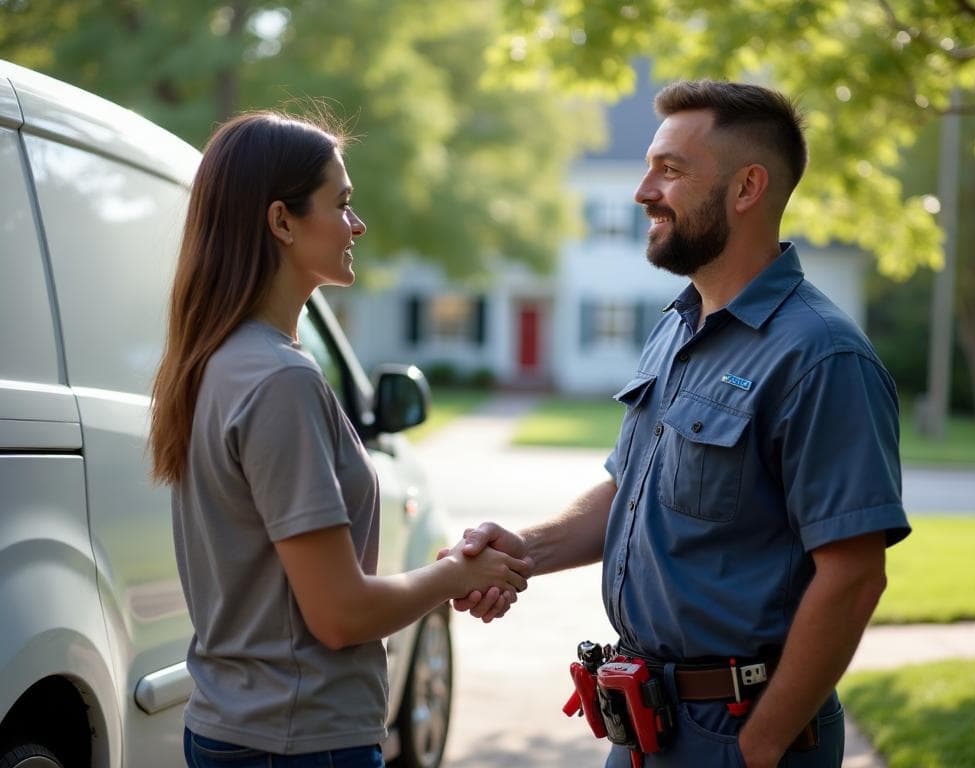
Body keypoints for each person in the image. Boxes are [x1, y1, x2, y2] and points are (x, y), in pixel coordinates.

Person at [451, 80, 910, 767]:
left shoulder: (822, 356)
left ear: (746, 188)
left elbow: (852, 577)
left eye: (670, 170)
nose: (642, 191)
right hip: (646, 727)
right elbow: (631, 489)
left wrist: (760, 746)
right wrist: (524, 549)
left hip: (745, 733)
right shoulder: (677, 327)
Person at [149, 111, 529, 768]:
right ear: (282, 221)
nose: (357, 225)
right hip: (298, 741)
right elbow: (339, 615)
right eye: (342, 204)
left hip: (239, 728)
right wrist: (454, 575)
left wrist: (450, 574)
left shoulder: (219, 361)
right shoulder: (278, 381)